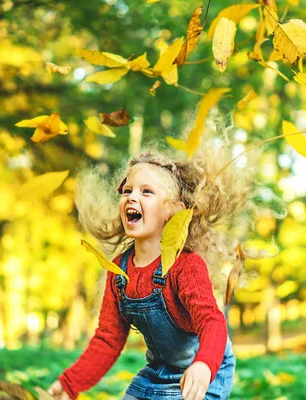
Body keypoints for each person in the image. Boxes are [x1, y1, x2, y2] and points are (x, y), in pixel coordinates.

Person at [48, 126, 260, 400]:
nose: (131, 197)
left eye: (146, 192)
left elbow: (212, 322)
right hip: (159, 371)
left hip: (205, 373)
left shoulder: (185, 267)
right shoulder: (119, 272)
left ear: (173, 210)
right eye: (126, 191)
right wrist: (71, 382)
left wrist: (204, 365)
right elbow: (108, 338)